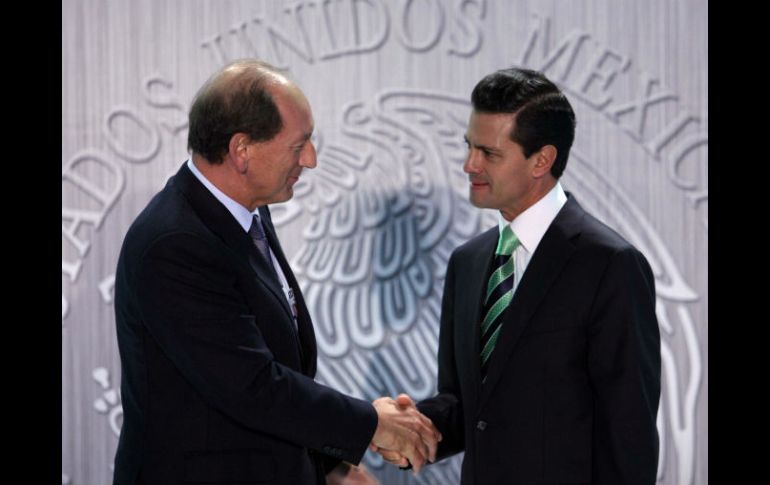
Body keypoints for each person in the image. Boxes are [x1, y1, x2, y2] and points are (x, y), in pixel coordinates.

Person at [112, 59, 440, 485]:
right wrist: (370, 424)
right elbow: (250, 386)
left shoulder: (246, 212)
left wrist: (331, 466)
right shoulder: (174, 243)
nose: (312, 158)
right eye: (299, 144)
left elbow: (277, 367)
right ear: (242, 150)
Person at [374, 67, 661, 484]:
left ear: (541, 160)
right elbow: (470, 404)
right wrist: (416, 428)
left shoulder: (610, 265)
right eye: (469, 146)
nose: (469, 164)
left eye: (488, 153)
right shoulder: (467, 262)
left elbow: (628, 435)